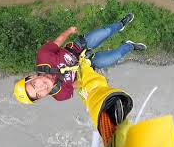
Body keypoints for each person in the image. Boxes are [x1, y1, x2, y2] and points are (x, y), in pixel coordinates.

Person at [14, 13, 147, 104]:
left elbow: (57, 43)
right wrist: (92, 77)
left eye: (34, 85)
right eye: (38, 94)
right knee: (116, 56)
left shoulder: (44, 57)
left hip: (78, 47)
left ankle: (120, 24)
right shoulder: (60, 95)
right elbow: (76, 84)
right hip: (88, 65)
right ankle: (129, 46)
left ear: (31, 77)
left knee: (105, 32)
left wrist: (69, 30)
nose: (41, 88)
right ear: (41, 98)